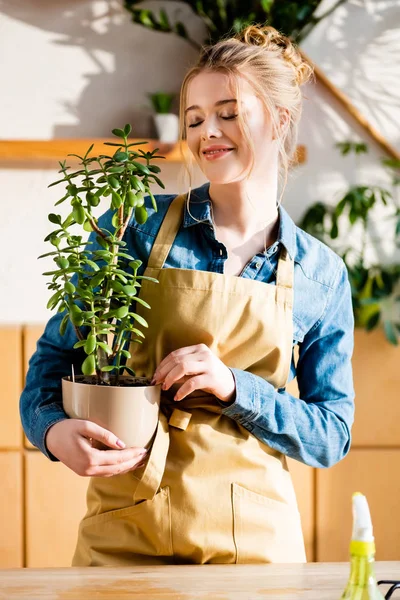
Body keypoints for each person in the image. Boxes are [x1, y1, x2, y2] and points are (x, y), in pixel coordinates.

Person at [20, 24, 355, 566]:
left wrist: (235, 388)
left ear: (281, 120)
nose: (208, 132)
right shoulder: (136, 227)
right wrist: (54, 432)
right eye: (195, 118)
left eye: (228, 112)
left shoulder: (320, 273)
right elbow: (51, 366)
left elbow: (331, 434)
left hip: (254, 547)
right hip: (123, 530)